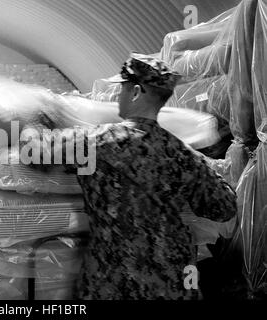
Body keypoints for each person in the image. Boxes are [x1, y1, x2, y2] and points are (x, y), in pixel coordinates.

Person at [20, 53, 238, 299]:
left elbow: (35, 154)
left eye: (122, 89)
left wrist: (35, 120)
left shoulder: (97, 142)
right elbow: (224, 207)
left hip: (114, 280)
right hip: (171, 283)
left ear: (135, 92)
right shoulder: (181, 154)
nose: (118, 96)